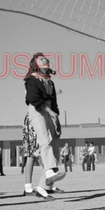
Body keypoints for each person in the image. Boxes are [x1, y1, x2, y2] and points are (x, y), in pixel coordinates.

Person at [24, 53, 65, 200]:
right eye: (41, 59)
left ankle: (42, 187)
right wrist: (50, 112)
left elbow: (54, 103)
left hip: (49, 112)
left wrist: (56, 119)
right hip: (37, 111)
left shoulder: (50, 82)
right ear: (35, 65)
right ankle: (50, 172)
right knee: (44, 140)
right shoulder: (31, 80)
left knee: (54, 146)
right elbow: (32, 99)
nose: (45, 60)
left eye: (46, 59)